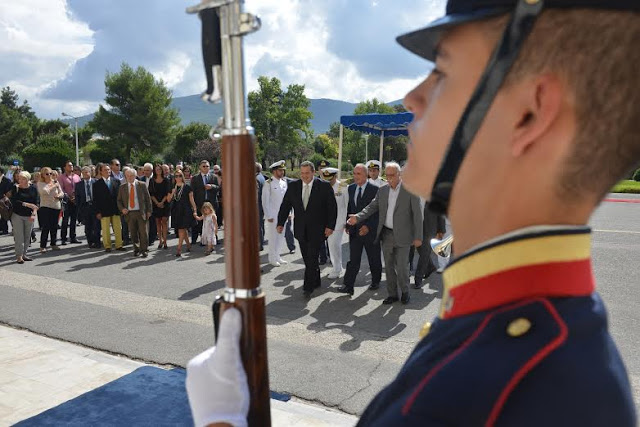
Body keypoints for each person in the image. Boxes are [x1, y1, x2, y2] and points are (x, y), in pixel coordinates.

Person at [186, 1, 639, 425]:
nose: (412, 98)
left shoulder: (513, 391)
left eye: (441, 72)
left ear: (529, 115)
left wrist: (225, 421)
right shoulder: (521, 340)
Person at [348, 162, 422, 304]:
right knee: (388, 267)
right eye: (387, 175)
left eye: (392, 175)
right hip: (386, 234)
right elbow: (372, 207)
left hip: (404, 235)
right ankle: (392, 294)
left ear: (399, 174)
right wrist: (357, 217)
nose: (389, 178)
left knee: (401, 267)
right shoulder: (382, 191)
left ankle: (405, 291)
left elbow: (418, 216)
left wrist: (418, 236)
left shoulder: (410, 190)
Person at [277, 161, 337, 298]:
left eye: (307, 173)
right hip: (300, 230)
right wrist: (280, 223)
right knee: (308, 258)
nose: (304, 176)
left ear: (314, 172)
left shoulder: (324, 186)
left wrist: (330, 226)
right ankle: (316, 280)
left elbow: (332, 208)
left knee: (312, 257)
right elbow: (285, 206)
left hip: (318, 230)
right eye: (302, 173)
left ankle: (307, 287)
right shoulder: (293, 186)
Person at [338, 164, 383, 296]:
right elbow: (351, 208)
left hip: (370, 231)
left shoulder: (375, 190)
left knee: (373, 258)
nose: (355, 176)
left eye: (359, 174)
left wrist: (368, 227)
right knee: (353, 259)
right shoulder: (351, 188)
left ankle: (375, 281)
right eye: (354, 173)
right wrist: (348, 224)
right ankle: (348, 285)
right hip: (355, 231)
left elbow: (378, 212)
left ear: (366, 175)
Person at [321, 167, 349, 279]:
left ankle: (337, 269)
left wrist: (346, 222)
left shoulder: (342, 187)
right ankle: (337, 267)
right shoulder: (323, 187)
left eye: (330, 178)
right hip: (326, 222)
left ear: (335, 176)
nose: (328, 181)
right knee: (331, 245)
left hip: (339, 221)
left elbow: (347, 205)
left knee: (334, 245)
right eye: (326, 178)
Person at [117, 169, 152, 257]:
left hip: (141, 212)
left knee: (143, 232)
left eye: (131, 175)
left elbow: (148, 199)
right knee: (133, 233)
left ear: (135, 176)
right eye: (127, 176)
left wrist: (149, 211)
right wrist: (122, 209)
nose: (129, 177)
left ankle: (144, 249)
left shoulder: (141, 185)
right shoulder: (122, 187)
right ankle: (136, 249)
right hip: (129, 213)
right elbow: (119, 200)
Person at [261, 160, 289, 266]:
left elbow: (286, 200)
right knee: (273, 237)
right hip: (273, 215)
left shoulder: (283, 182)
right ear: (274, 171)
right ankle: (272, 258)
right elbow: (265, 200)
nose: (282, 172)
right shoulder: (268, 183)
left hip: (283, 215)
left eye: (283, 170)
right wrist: (268, 215)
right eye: (280, 170)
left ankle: (277, 256)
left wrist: (289, 212)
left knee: (281, 236)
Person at [412, 201, 446, 288]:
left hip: (430, 228)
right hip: (416, 228)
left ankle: (418, 278)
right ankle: (430, 267)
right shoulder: (413, 194)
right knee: (420, 249)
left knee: (425, 253)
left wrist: (441, 230)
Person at [8, 171, 38, 263]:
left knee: (27, 236)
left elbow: (36, 202)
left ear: (28, 179)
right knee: (19, 236)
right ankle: (19, 256)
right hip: (17, 215)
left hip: (29, 215)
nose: (20, 180)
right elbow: (14, 201)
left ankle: (24, 254)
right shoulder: (15, 188)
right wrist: (27, 204)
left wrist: (34, 212)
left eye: (23, 178)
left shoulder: (33, 188)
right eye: (19, 178)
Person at [93, 163, 123, 252]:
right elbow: (95, 199)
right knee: (105, 229)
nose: (108, 171)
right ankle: (107, 246)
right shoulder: (96, 184)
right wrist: (97, 212)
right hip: (104, 210)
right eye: (105, 170)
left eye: (109, 170)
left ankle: (119, 245)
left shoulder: (116, 181)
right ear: (101, 172)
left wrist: (121, 208)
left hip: (115, 209)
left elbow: (119, 196)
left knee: (117, 228)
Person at [191, 160, 220, 245]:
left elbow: (218, 188)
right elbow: (192, 191)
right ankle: (197, 238)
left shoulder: (213, 177)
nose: (206, 168)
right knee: (199, 222)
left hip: (211, 203)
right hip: (200, 203)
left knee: (212, 221)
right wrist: (194, 205)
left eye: (207, 166)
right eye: (204, 166)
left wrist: (212, 186)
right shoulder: (195, 178)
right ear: (200, 167)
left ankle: (214, 238)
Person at [169, 171, 197, 257]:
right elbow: (169, 199)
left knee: (181, 229)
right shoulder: (173, 187)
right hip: (176, 211)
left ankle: (179, 249)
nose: (178, 177)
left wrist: (195, 210)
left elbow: (191, 200)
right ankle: (188, 245)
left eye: (180, 176)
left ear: (182, 177)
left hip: (186, 210)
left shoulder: (187, 187)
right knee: (183, 229)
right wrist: (173, 193)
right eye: (176, 176)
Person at [37, 167, 64, 252]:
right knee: (46, 226)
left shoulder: (55, 182)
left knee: (54, 226)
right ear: (43, 175)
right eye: (47, 174)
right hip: (45, 207)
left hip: (56, 206)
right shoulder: (41, 183)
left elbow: (61, 192)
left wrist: (59, 195)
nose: (49, 175)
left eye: (50, 173)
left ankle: (53, 243)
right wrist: (53, 186)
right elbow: (44, 191)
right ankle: (43, 246)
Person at [75, 166, 100, 248]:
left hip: (95, 206)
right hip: (85, 207)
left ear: (90, 172)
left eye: (87, 172)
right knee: (88, 227)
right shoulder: (78, 185)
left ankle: (97, 242)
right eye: (83, 172)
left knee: (96, 226)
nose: (85, 174)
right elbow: (77, 198)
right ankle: (90, 242)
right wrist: (79, 210)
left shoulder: (96, 182)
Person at [58, 160, 81, 245]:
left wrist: (76, 197)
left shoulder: (76, 177)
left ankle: (73, 237)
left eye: (72, 165)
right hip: (66, 201)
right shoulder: (61, 177)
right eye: (69, 165)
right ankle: (63, 238)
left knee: (74, 220)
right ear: (64, 167)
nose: (71, 167)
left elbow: (79, 187)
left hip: (75, 201)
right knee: (65, 220)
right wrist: (68, 197)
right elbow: (61, 189)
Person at [149, 163, 171, 249]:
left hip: (165, 203)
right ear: (154, 171)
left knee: (164, 222)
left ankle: (165, 241)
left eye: (160, 169)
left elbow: (168, 192)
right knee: (157, 222)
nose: (158, 171)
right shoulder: (152, 180)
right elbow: (151, 193)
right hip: (155, 204)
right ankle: (160, 241)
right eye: (157, 169)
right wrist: (157, 203)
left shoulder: (166, 180)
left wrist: (162, 202)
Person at [255, 162, 266, 251]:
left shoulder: (256, 179)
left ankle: (259, 244)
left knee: (258, 226)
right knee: (261, 225)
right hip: (261, 205)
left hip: (256, 206)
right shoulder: (261, 177)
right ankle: (261, 242)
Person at [0, 167, 12, 235]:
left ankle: (5, 229)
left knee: (4, 215)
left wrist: (4, 197)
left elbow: (8, 191)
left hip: (3, 200)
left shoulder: (7, 180)